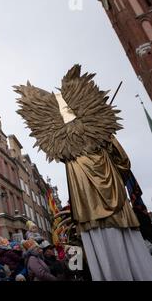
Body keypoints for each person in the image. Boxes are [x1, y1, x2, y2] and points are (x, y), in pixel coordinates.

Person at [15, 65, 152, 281]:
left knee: (102, 256)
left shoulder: (65, 152)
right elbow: (123, 162)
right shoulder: (101, 136)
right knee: (130, 250)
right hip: (116, 205)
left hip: (87, 211)